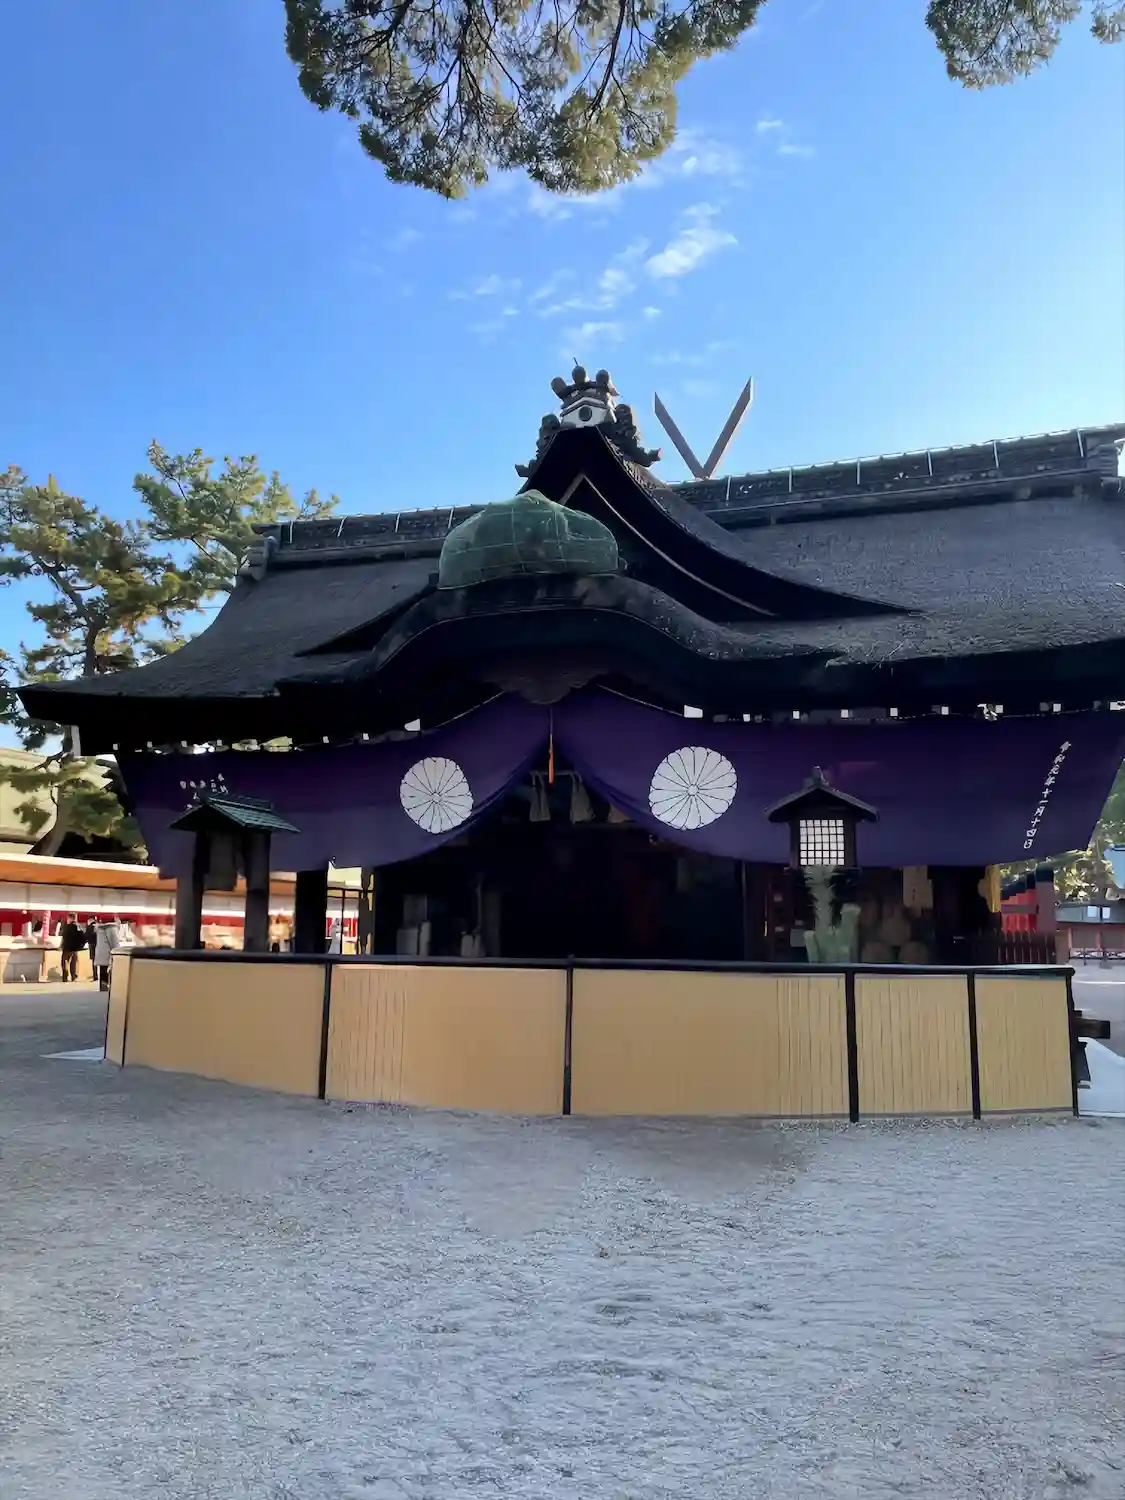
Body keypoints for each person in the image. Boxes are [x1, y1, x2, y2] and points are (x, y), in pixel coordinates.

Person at [93, 916, 120, 991]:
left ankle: (103, 987)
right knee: (110, 971)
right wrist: (117, 952)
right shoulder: (111, 929)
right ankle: (109, 987)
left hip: (100, 952)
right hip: (107, 952)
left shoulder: (99, 928)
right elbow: (114, 943)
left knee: (103, 970)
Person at [59, 913, 84, 982]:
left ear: (70, 918)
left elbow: (63, 936)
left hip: (67, 947)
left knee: (65, 962)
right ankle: (74, 977)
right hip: (75, 948)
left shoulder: (66, 926)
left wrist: (61, 945)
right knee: (74, 963)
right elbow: (82, 936)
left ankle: (65, 977)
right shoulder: (78, 926)